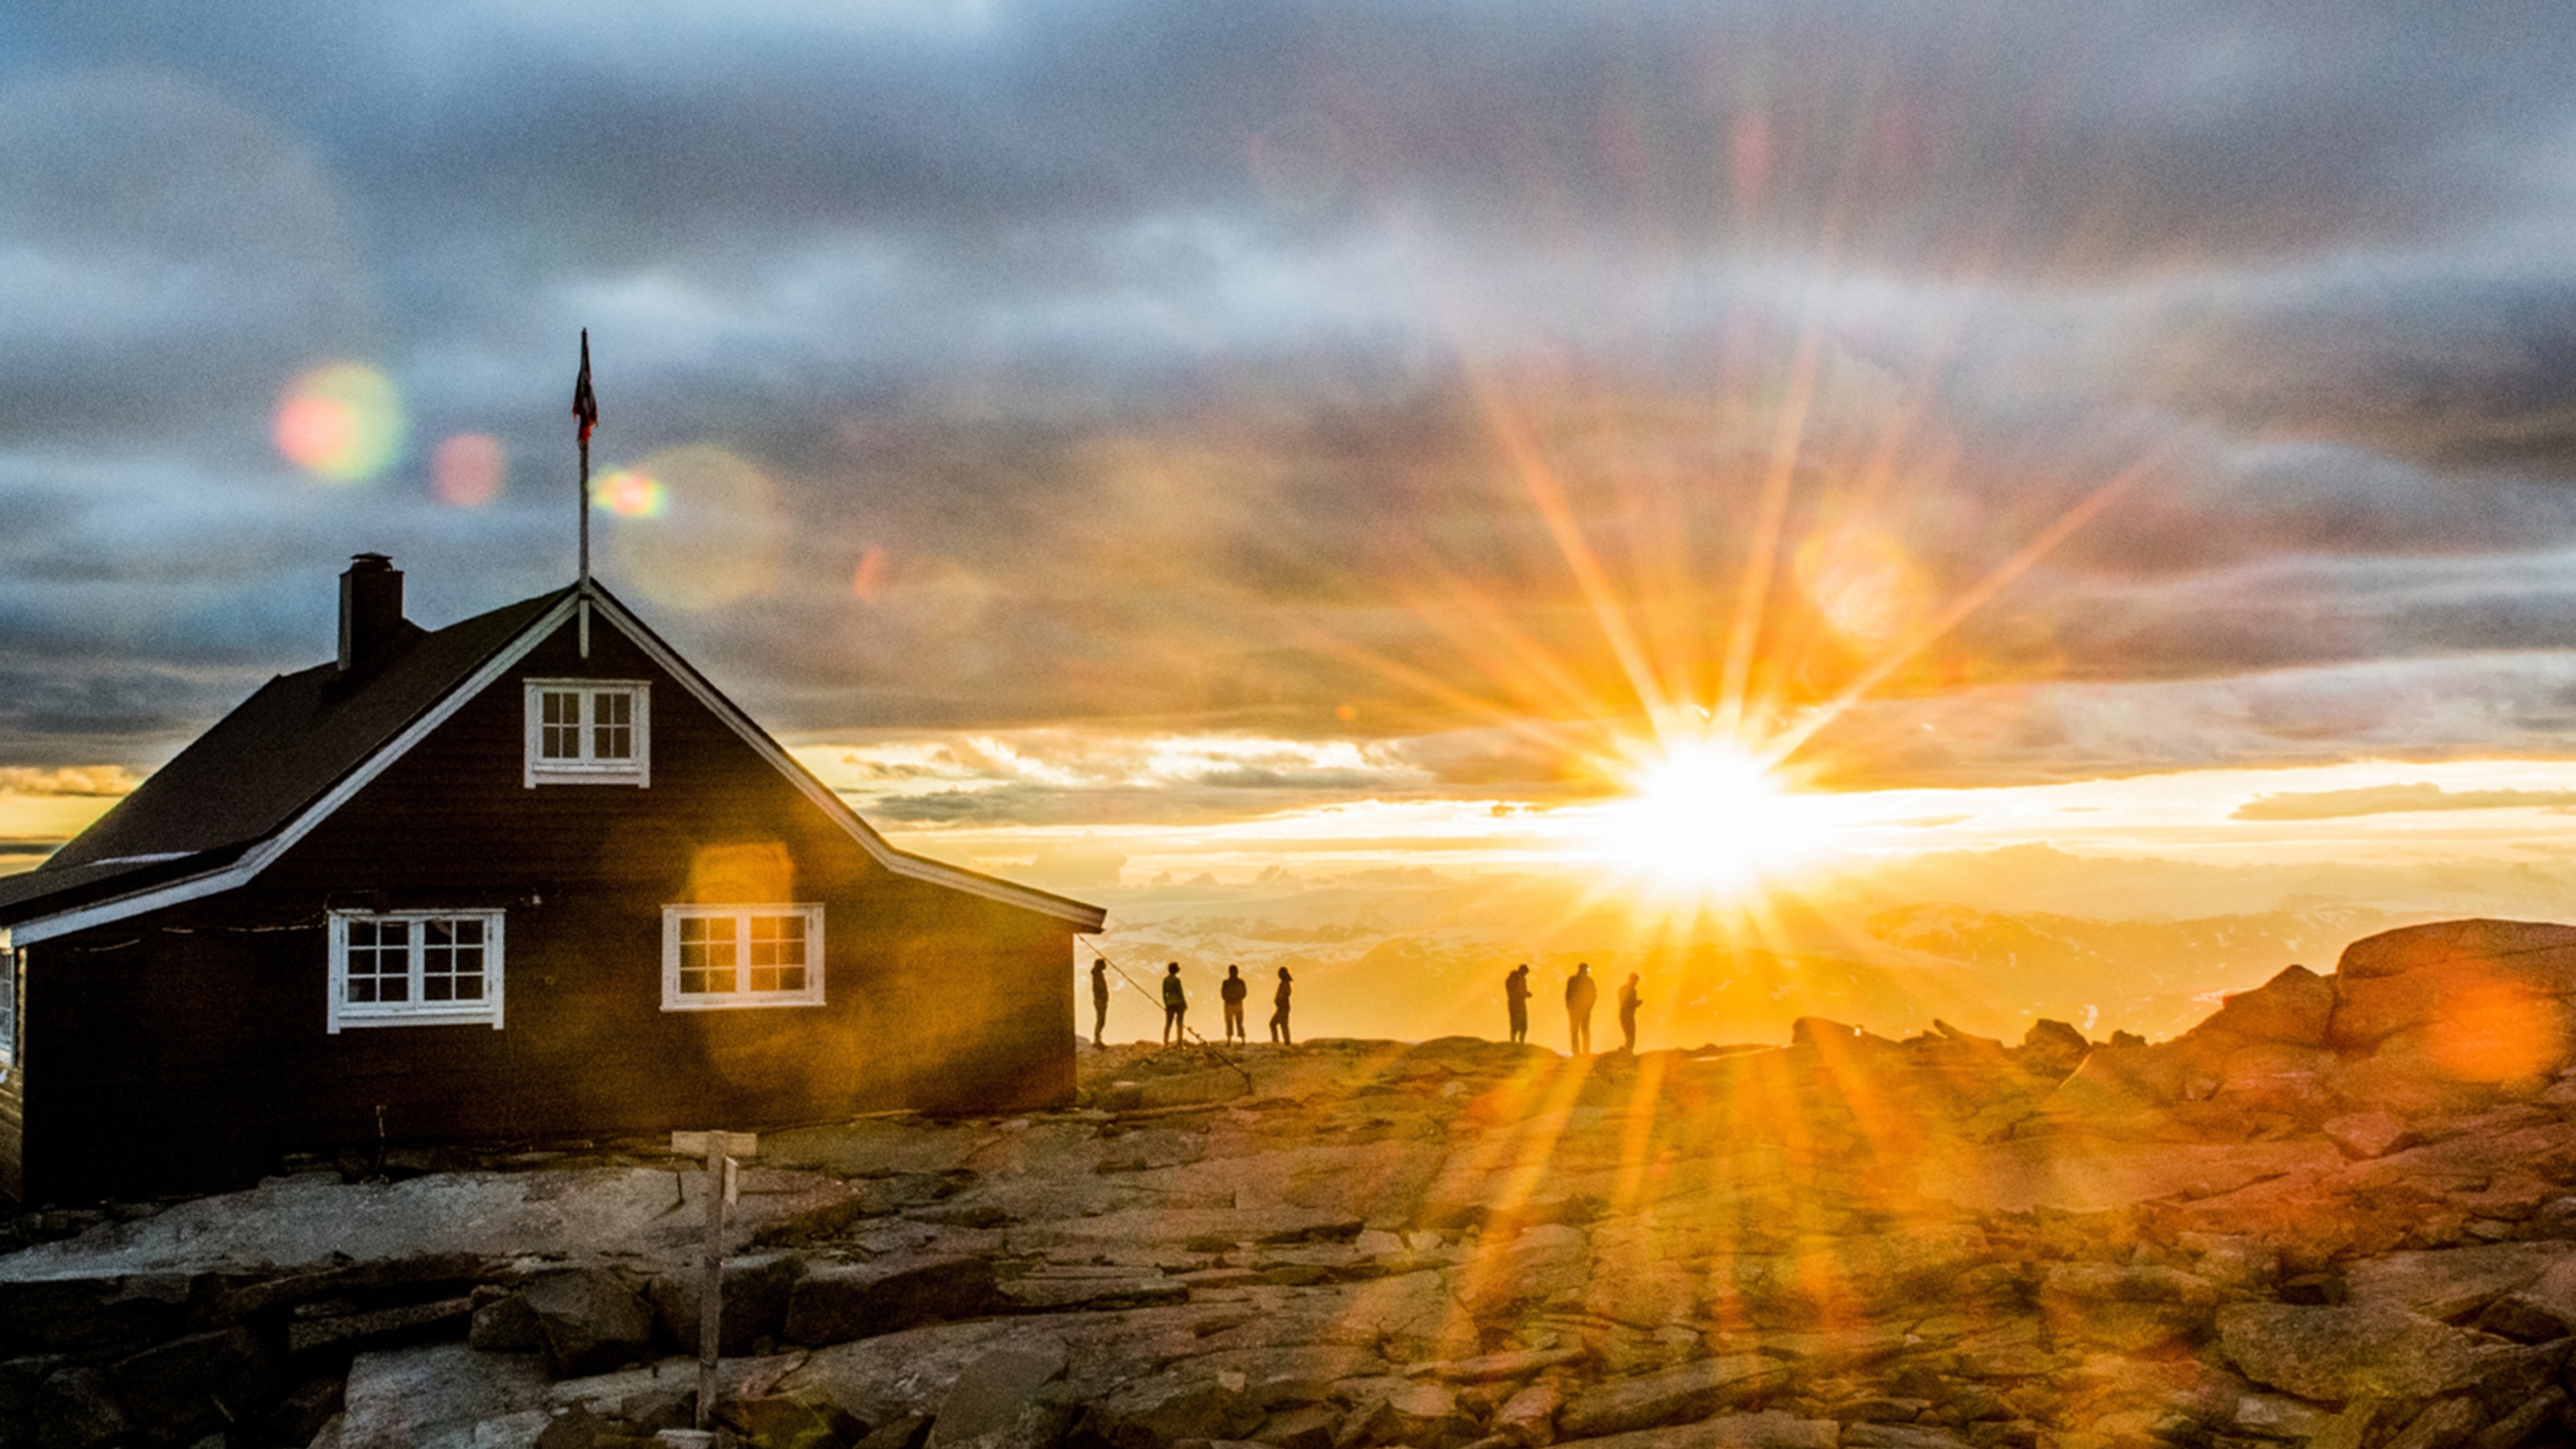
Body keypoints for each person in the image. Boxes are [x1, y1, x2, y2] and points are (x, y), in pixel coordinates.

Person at [1565, 963, 1597, 1055]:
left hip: (1577, 1010)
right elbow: (1594, 996)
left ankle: (1578, 1053)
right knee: (1583, 1031)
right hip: (1583, 1010)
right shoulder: (1588, 981)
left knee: (1576, 1031)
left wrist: (1570, 1007)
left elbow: (1568, 996)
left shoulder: (1573, 980)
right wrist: (1589, 1007)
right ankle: (1584, 1053)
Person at [1220, 964, 1249, 1044]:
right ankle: (1242, 1040)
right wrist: (1237, 998)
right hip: (1237, 1004)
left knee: (1230, 1023)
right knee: (1239, 1022)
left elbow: (1223, 994)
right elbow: (1244, 993)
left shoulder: (1226, 983)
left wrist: (1229, 999)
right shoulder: (1240, 982)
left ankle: (1230, 1040)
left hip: (1230, 1004)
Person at [1161, 962, 1187, 1045]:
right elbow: (1180, 993)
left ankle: (1166, 1042)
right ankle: (1180, 1042)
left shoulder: (1165, 980)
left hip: (1170, 1004)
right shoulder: (1177, 980)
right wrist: (1184, 1003)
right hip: (1179, 1003)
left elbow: (1164, 994)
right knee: (1180, 1023)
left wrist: (1166, 1004)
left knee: (1168, 1023)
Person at [1504, 963, 1531, 1044]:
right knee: (1523, 1023)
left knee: (1514, 1022)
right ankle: (1521, 1042)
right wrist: (1527, 994)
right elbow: (1522, 992)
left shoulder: (1510, 979)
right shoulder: (1521, 979)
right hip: (1520, 1003)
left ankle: (1513, 1040)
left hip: (1512, 1003)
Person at [1617, 972, 1642, 1055]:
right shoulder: (1624, 989)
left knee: (1631, 1035)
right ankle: (1626, 1052)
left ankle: (1627, 1051)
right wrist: (1636, 1004)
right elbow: (1624, 1003)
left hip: (1629, 1015)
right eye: (1635, 981)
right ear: (1631, 979)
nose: (1636, 983)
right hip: (1625, 1015)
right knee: (1630, 1035)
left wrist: (1636, 1004)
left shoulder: (1633, 990)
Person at [1269, 966, 1295, 1044]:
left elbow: (1286, 994)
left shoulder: (1286, 983)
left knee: (1276, 1024)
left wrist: (1280, 1000)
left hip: (1283, 1007)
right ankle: (1284, 1042)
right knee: (1281, 1024)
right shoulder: (1284, 983)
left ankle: (1281, 1042)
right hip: (1282, 1007)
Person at [1091, 959, 1111, 1046]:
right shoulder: (1097, 974)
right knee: (1101, 1020)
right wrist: (1103, 996)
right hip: (1100, 1000)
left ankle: (1098, 1039)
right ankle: (1097, 1040)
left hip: (1101, 1000)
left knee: (1101, 1020)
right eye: (1104, 964)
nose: (1106, 966)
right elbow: (1100, 987)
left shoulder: (1098, 974)